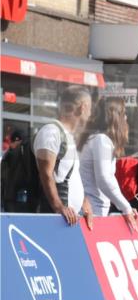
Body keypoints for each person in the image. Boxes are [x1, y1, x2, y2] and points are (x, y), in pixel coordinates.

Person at [34, 85, 93, 226]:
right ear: (82, 107)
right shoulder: (51, 132)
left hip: (67, 220)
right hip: (54, 220)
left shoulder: (68, 136)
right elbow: (46, 174)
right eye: (90, 109)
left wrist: (83, 200)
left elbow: (69, 175)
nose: (91, 114)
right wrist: (59, 207)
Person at [79, 97, 138, 232]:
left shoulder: (97, 139)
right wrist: (125, 207)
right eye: (124, 114)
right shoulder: (101, 140)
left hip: (93, 209)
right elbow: (104, 179)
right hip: (93, 212)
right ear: (115, 117)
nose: (126, 118)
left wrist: (123, 205)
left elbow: (107, 179)